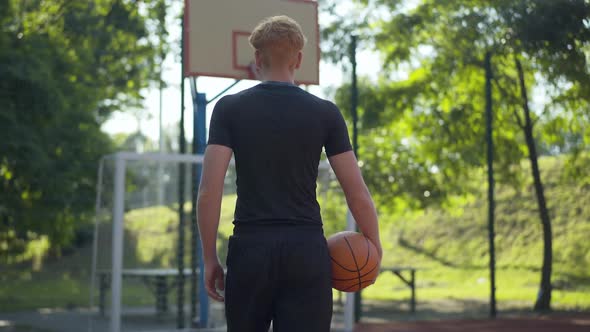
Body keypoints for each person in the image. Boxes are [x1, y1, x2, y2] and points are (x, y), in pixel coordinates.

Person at [197, 15, 382, 332]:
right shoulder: (326, 113)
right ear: (299, 59)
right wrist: (374, 247)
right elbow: (358, 194)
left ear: (257, 59)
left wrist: (210, 258)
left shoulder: (229, 108)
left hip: (250, 249)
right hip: (306, 251)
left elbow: (208, 193)